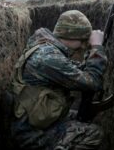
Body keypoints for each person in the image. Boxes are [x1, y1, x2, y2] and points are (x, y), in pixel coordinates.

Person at [9, 10, 108, 150]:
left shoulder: (46, 48)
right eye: (83, 40)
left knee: (78, 115)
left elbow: (75, 70)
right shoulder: (48, 58)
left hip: (32, 118)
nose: (83, 45)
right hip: (31, 133)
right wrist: (97, 47)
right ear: (73, 36)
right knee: (94, 133)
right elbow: (92, 83)